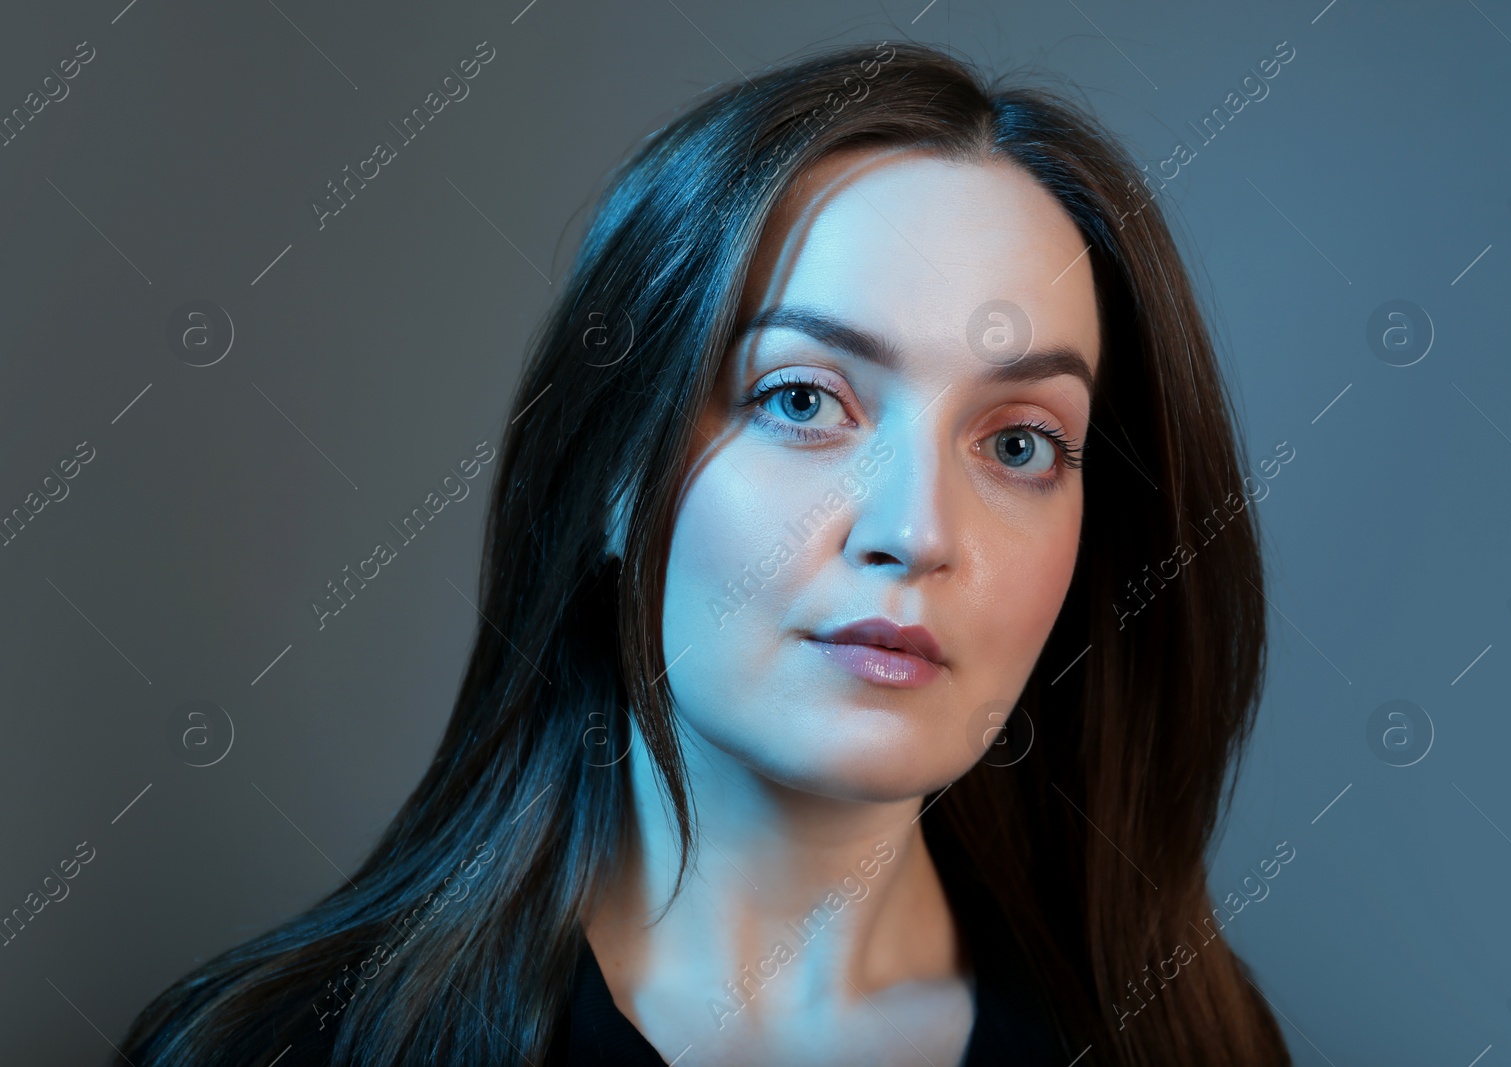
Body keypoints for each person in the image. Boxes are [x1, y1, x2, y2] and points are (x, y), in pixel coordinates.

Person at [115, 39, 1290, 1066]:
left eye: (1021, 442)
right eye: (799, 399)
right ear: (616, 468)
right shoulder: (281, 1048)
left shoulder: (1184, 1041)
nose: (916, 530)